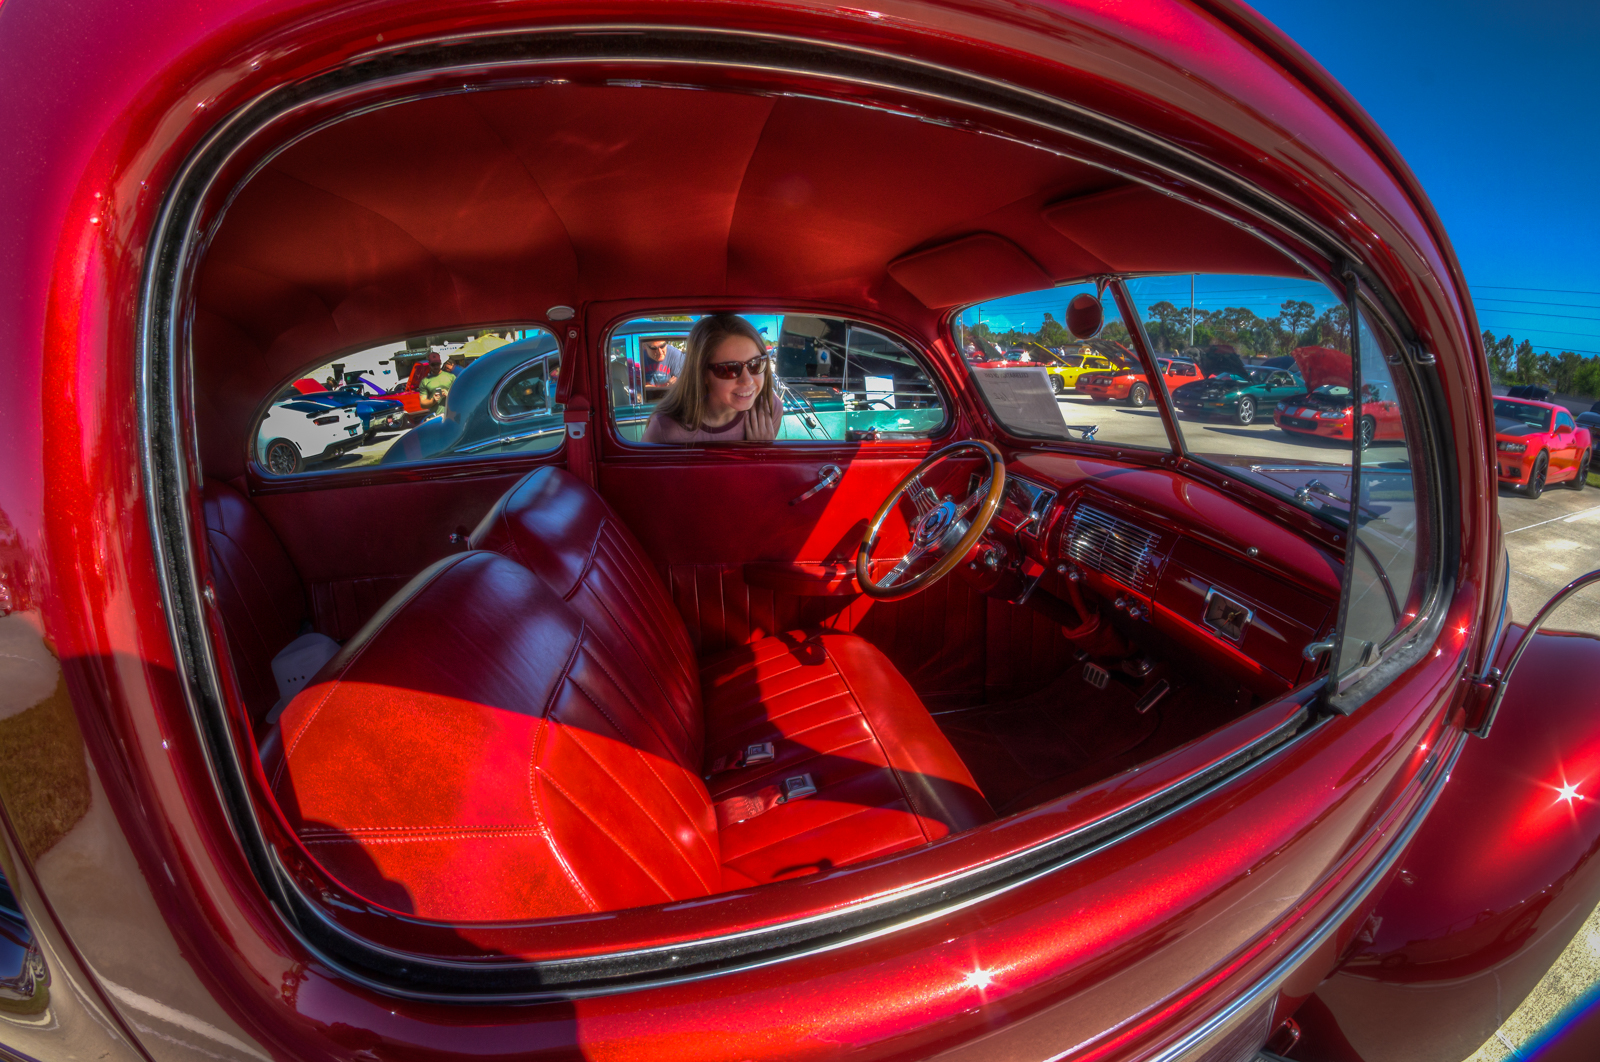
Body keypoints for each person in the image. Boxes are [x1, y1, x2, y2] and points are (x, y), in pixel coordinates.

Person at [643, 315, 781, 444]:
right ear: (702, 374)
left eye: (755, 364)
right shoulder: (664, 429)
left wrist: (764, 455)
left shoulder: (769, 409)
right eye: (729, 369)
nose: (748, 380)